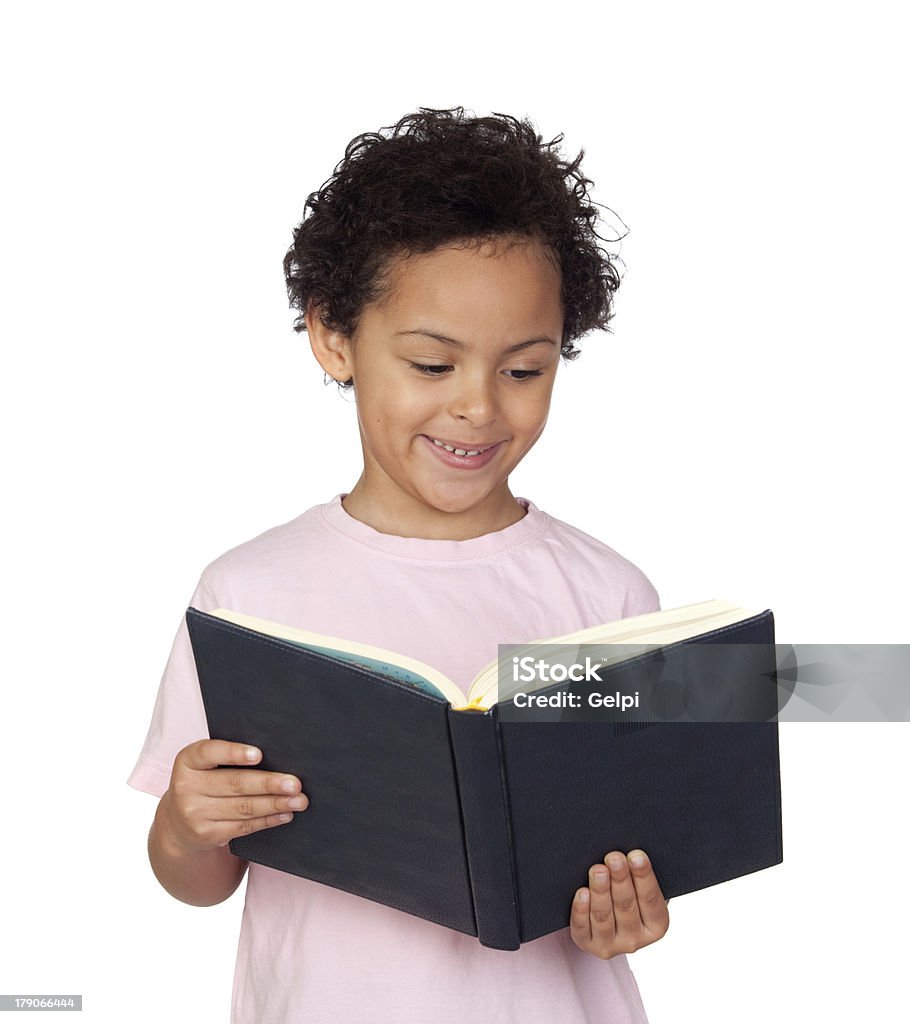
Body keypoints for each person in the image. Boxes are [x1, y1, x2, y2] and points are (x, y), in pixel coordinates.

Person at [128, 107, 670, 1024]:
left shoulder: (610, 596)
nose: (477, 408)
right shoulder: (249, 595)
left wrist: (627, 911)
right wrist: (185, 826)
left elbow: (636, 860)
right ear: (334, 338)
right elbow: (198, 881)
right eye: (431, 363)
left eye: (524, 371)